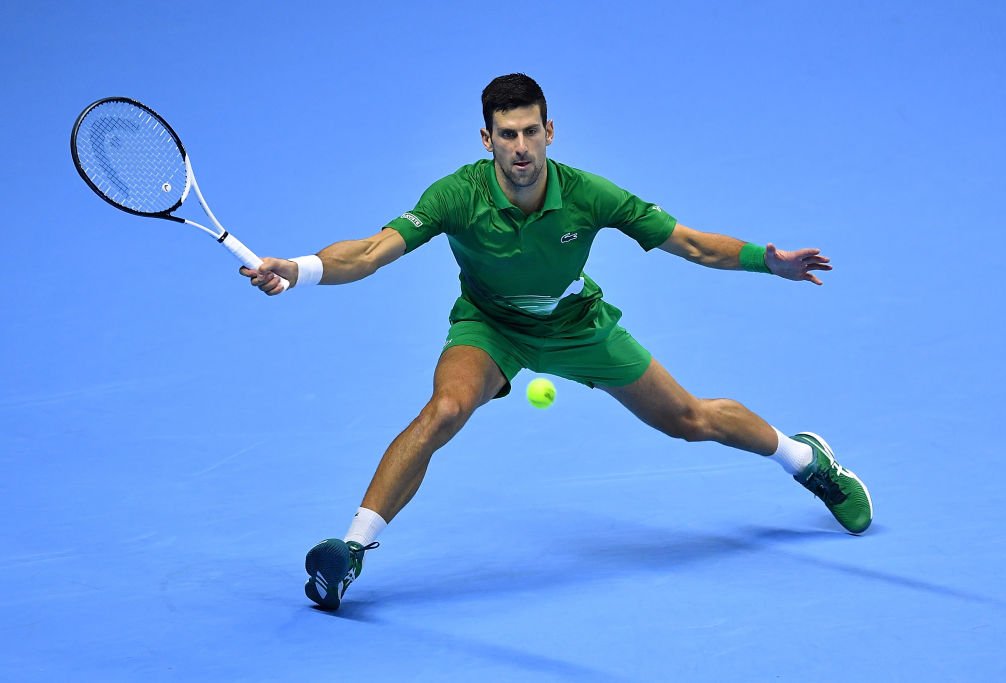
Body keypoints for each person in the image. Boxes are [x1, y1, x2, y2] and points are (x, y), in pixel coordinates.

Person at [241, 73, 873, 611]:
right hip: (490, 327)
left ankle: (805, 459)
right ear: (487, 139)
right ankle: (350, 549)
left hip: (576, 325)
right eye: (507, 135)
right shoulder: (456, 196)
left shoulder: (589, 194)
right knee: (446, 410)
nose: (521, 147)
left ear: (550, 131)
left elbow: (692, 243)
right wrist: (298, 269)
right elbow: (373, 251)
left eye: (531, 131)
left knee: (690, 420)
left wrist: (771, 261)